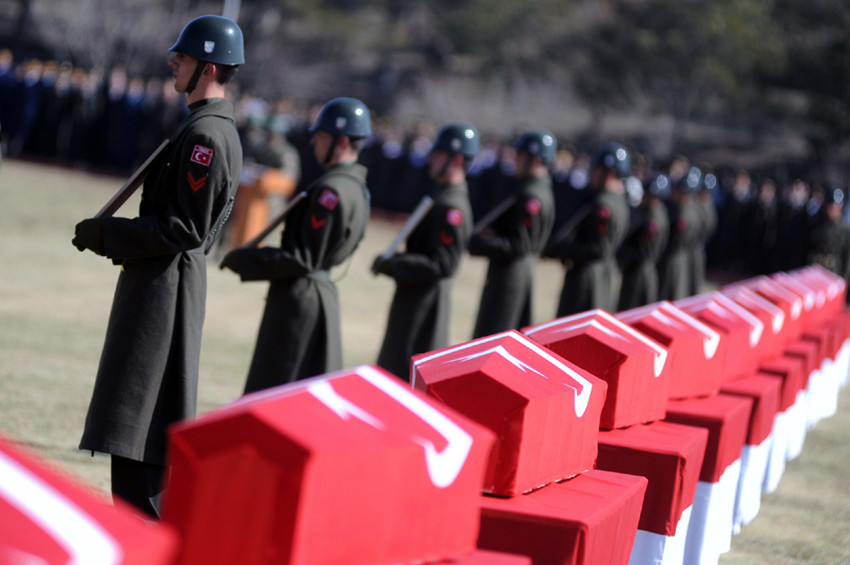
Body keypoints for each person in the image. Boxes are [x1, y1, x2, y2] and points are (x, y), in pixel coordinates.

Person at [72, 15, 244, 518]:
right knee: (136, 442)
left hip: (164, 295)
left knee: (142, 445)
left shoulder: (205, 138)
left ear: (208, 68)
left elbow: (184, 230)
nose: (174, 61)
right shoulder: (203, 128)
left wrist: (110, 235)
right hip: (161, 287)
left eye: (184, 57)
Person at [220, 97, 371, 392]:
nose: (313, 140)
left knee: (276, 390)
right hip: (318, 294)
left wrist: (249, 261)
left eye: (322, 135)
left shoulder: (332, 190)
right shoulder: (355, 187)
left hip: (299, 302)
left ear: (341, 141)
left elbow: (303, 257)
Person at [372, 121, 479, 380]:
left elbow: (443, 265)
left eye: (439, 154)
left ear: (455, 160)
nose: (431, 158)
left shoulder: (451, 206)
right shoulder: (444, 197)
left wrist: (397, 264)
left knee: (403, 376)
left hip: (423, 307)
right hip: (415, 299)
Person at [468, 130, 556, 338]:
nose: (515, 160)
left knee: (493, 335)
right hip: (512, 272)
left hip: (510, 277)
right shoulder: (535, 189)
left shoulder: (531, 195)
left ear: (535, 160)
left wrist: (480, 243)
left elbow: (519, 245)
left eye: (520, 156)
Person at [544, 142, 631, 316]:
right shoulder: (619, 202)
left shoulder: (603, 205)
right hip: (603, 276)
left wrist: (560, 249)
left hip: (586, 281)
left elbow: (596, 248)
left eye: (597, 169)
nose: (593, 174)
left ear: (609, 172)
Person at [617, 173, 671, 310]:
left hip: (639, 276)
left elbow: (643, 252)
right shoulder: (656, 213)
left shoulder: (652, 220)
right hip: (642, 272)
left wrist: (622, 255)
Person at [658, 167, 702, 300]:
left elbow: (674, 241)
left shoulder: (683, 214)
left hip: (672, 261)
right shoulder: (694, 209)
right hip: (682, 258)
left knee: (669, 295)